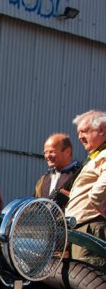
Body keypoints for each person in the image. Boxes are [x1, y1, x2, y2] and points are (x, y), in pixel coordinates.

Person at [65, 109, 106, 268]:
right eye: (78, 133)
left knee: (88, 277)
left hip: (91, 226)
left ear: (101, 130)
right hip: (83, 226)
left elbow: (99, 190)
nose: (80, 137)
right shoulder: (97, 156)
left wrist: (97, 203)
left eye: (85, 131)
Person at [35, 132, 81, 208]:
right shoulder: (43, 179)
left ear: (67, 151)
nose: (47, 156)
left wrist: (68, 197)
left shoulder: (81, 173)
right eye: (45, 152)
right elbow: (35, 204)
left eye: (52, 151)